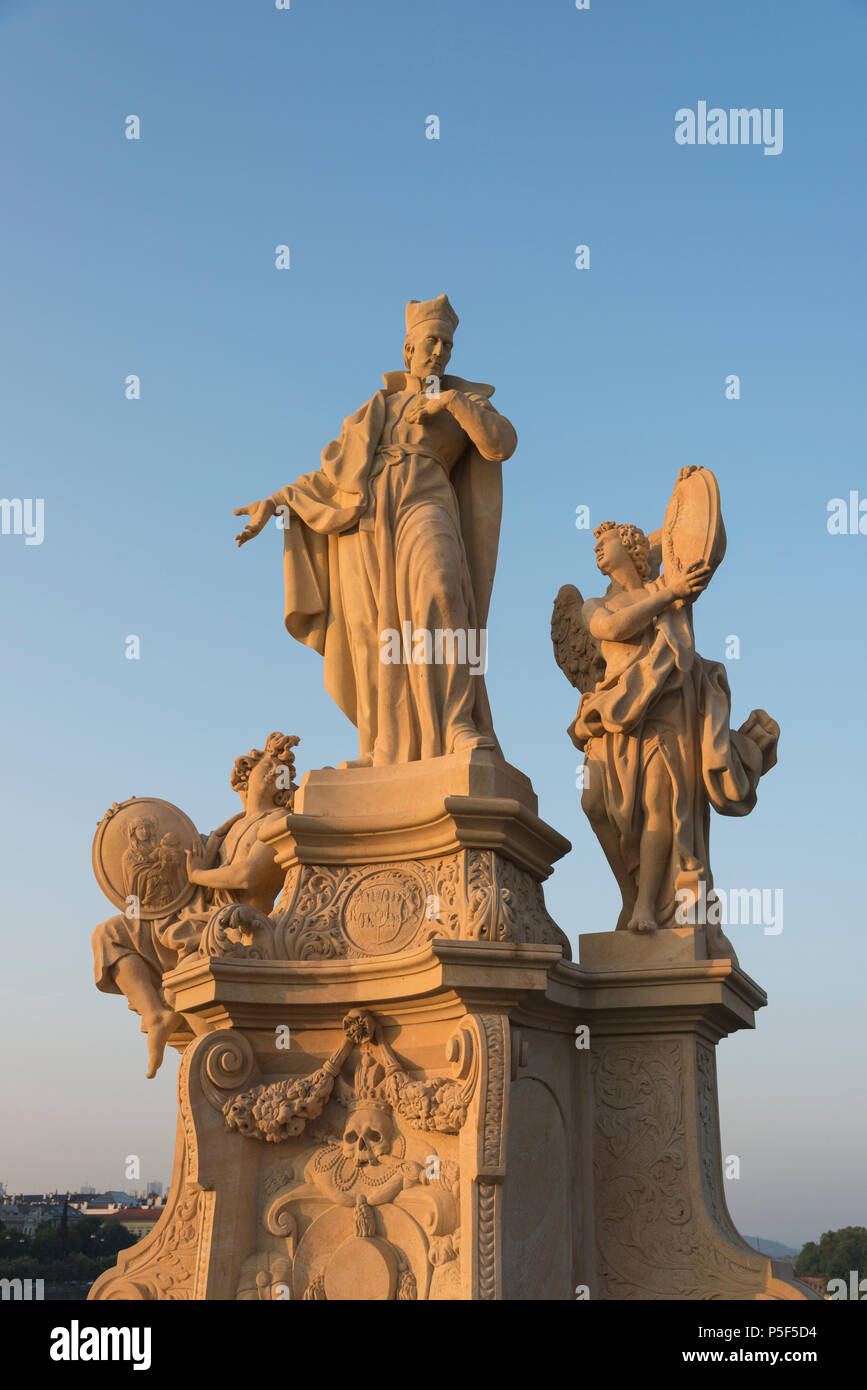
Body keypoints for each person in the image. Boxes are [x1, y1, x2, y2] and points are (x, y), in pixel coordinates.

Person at [233, 295, 517, 765]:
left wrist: (451, 402)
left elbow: (501, 445)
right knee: (373, 631)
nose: (440, 352)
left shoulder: (463, 403)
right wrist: (277, 501)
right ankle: (384, 742)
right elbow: (331, 478)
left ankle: (457, 724)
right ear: (408, 349)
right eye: (432, 342)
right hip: (368, 522)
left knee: (444, 593)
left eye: (447, 344)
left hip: (426, 505)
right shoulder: (377, 410)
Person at [572, 521, 778, 940]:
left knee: (659, 804)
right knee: (594, 804)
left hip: (665, 714)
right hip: (611, 718)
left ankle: (646, 905)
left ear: (631, 547)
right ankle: (629, 893)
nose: (596, 546)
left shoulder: (671, 594)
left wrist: (687, 492)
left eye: (604, 540)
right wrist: (668, 592)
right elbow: (610, 630)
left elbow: (697, 534)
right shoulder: (598, 603)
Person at [91, 732, 297, 1076]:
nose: (275, 775)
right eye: (269, 767)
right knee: (110, 933)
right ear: (247, 776)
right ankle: (154, 1014)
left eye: (279, 772)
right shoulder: (227, 829)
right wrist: (119, 822)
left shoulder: (276, 823)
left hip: (237, 928)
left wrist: (199, 875)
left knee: (185, 980)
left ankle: (224, 1068)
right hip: (197, 918)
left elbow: (246, 876)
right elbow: (176, 857)